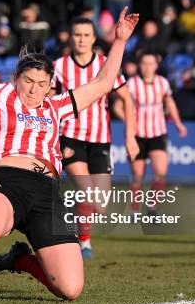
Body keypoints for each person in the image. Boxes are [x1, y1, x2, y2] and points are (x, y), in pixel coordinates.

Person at [0, 7, 139, 300]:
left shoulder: (57, 106)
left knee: (71, 289)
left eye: (42, 84)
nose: (33, 89)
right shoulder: (1, 94)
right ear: (17, 77)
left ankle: (20, 260)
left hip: (46, 192)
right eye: (28, 81)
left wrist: (119, 41)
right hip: (8, 180)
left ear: (51, 86)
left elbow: (103, 84)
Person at [52, 16, 139, 260]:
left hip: (100, 140)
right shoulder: (59, 66)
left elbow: (127, 99)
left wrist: (130, 136)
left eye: (86, 35)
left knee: (99, 205)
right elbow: (46, 100)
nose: (81, 39)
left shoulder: (104, 63)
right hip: (70, 138)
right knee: (87, 193)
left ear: (93, 38)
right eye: (77, 34)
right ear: (71, 37)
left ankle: (71, 221)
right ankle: (84, 243)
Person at [127, 52, 187, 212]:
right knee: (137, 176)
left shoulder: (162, 83)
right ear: (140, 65)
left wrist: (178, 124)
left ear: (156, 65)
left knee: (160, 173)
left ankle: (152, 206)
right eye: (144, 63)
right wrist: (129, 121)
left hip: (158, 133)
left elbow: (170, 103)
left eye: (150, 63)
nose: (147, 67)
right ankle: (134, 210)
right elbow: (119, 106)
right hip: (137, 135)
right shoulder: (132, 84)